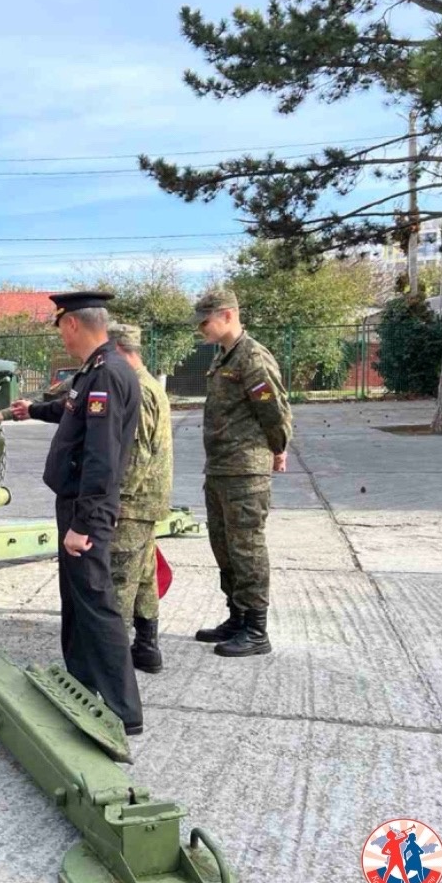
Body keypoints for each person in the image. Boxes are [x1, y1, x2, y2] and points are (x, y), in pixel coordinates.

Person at [5, 290, 144, 734]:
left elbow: (102, 458)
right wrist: (33, 410)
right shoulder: (94, 371)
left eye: (61, 327)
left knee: (96, 602)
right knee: (77, 599)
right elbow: (71, 412)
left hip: (88, 508)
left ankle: (124, 711)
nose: (61, 337)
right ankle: (81, 685)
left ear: (72, 324)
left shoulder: (107, 375)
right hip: (76, 502)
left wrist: (83, 524)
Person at [193, 288, 292, 658]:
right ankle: (236, 617)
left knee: (246, 547)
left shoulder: (252, 357)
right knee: (224, 545)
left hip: (245, 470)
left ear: (227, 315)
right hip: (221, 467)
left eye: (205, 321)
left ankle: (256, 629)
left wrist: (278, 448)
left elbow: (273, 409)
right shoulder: (224, 356)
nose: (201, 328)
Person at [106, 324, 173, 674]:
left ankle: (111, 661)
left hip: (133, 502)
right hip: (146, 500)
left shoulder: (140, 390)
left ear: (119, 350)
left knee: (119, 579)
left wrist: (116, 498)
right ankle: (146, 648)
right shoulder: (149, 385)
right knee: (144, 575)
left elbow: (137, 452)